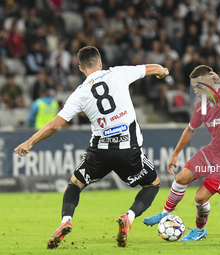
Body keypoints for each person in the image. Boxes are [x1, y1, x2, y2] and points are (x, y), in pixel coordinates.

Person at [14, 46, 169, 249]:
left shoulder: (79, 93)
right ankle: (129, 216)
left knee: (75, 184)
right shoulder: (118, 73)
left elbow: (54, 125)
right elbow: (153, 67)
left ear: (80, 68)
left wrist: (29, 142)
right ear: (100, 62)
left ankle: (66, 221)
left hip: (99, 152)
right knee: (152, 184)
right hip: (127, 149)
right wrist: (162, 71)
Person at [143, 65, 220, 241]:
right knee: (181, 178)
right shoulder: (202, 107)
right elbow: (190, 130)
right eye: (194, 87)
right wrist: (175, 154)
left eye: (200, 85)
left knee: (199, 198)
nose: (196, 91)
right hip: (213, 150)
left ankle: (200, 230)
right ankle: (165, 214)